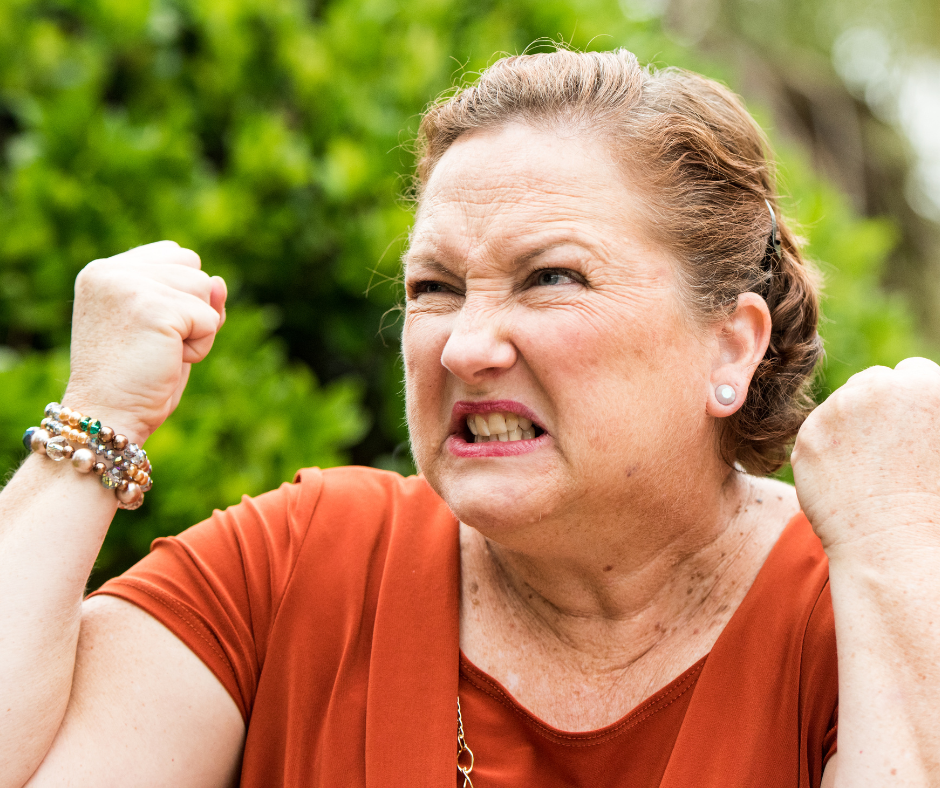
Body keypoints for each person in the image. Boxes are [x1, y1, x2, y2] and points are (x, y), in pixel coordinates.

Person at [2, 47, 940, 788]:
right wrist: (95, 419)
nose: (464, 347)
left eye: (551, 277)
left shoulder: (856, 614)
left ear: (731, 346)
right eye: (434, 288)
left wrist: (900, 554)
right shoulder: (294, 569)